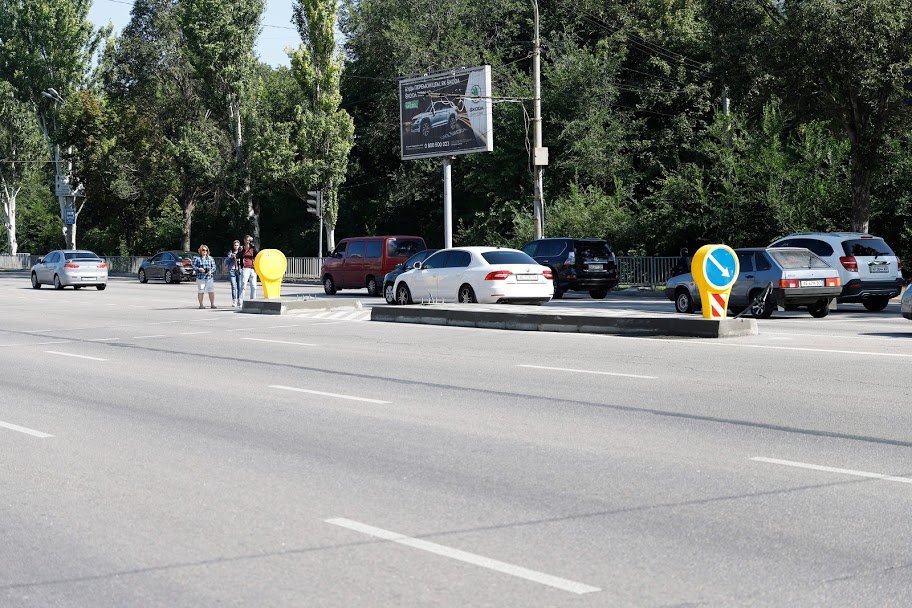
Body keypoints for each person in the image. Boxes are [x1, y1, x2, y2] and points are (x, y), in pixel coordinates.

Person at [192, 245, 217, 309]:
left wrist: (211, 271)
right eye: (203, 250)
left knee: (211, 291)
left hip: (209, 278)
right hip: (201, 278)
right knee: (201, 291)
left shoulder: (210, 258)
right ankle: (201, 305)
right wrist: (199, 269)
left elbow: (214, 267)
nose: (205, 251)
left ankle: (212, 304)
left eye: (206, 250)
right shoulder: (197, 259)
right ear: (200, 251)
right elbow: (193, 266)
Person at [239, 234, 258, 302]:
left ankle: (253, 301)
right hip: (245, 268)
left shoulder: (252, 248)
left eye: (249, 240)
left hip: (252, 268)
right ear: (244, 240)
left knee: (254, 286)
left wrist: (253, 243)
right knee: (243, 285)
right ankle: (240, 301)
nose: (248, 242)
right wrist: (242, 250)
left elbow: (256, 254)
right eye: (247, 240)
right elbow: (239, 255)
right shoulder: (242, 248)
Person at [226, 239, 243, 307]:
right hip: (232, 270)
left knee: (239, 286)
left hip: (239, 270)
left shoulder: (241, 252)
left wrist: (239, 258)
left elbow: (243, 260)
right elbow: (227, 261)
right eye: (235, 245)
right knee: (233, 286)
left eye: (237, 245)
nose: (236, 246)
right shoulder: (230, 252)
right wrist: (231, 257)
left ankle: (239, 300)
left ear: (239, 246)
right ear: (233, 246)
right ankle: (234, 300)